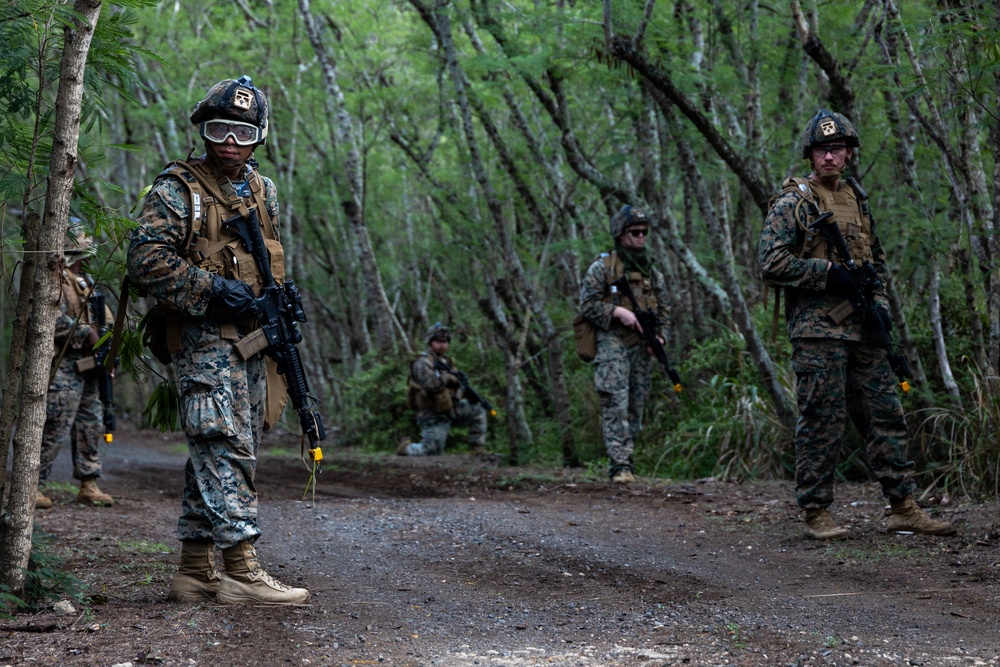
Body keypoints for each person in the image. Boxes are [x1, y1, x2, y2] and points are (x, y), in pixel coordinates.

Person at [127, 76, 310, 605]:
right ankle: (240, 569)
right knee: (222, 442)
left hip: (250, 336)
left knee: (227, 443)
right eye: (218, 129)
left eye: (241, 130)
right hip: (201, 337)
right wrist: (210, 289)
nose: (229, 140)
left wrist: (275, 299)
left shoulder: (262, 189)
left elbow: (265, 258)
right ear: (203, 132)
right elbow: (144, 262)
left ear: (259, 135)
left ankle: (193, 568)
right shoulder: (176, 189)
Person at [759, 108, 955, 540]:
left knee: (886, 412)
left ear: (848, 154)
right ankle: (816, 512)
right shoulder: (794, 202)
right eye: (821, 150)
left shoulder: (856, 199)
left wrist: (880, 303)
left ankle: (903, 505)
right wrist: (826, 273)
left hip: (863, 325)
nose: (829, 157)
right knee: (822, 420)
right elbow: (771, 263)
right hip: (818, 330)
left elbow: (876, 262)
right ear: (810, 156)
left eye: (837, 149)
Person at [579, 205, 670, 484]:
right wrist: (618, 313)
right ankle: (620, 464)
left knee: (636, 405)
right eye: (635, 232)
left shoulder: (651, 271)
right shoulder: (602, 268)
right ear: (620, 234)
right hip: (612, 341)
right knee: (615, 401)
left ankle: (628, 458)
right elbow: (587, 304)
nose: (641, 236)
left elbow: (664, 307)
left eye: (644, 231)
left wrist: (660, 337)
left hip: (641, 345)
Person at [35, 228, 114, 510]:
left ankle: (88, 483)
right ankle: (33, 484)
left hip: (91, 366)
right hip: (64, 364)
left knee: (90, 423)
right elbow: (49, 318)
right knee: (55, 423)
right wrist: (85, 334)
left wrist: (108, 347)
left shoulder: (86, 281)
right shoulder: (55, 279)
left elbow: (104, 320)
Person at [398, 323, 489, 457]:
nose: (442, 344)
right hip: (432, 412)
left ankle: (477, 449)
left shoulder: (448, 362)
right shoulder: (423, 362)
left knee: (478, 409)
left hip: (450, 407)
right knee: (431, 451)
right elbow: (430, 385)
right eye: (438, 341)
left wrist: (463, 390)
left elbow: (457, 385)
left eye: (445, 341)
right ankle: (406, 448)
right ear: (430, 342)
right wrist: (447, 378)